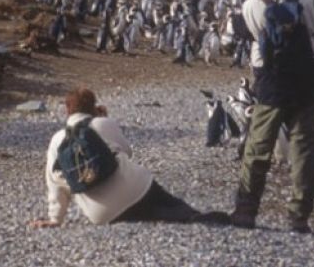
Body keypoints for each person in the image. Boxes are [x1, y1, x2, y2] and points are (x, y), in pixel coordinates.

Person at [231, 0, 314, 233]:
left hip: (270, 81)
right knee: (305, 150)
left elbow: (238, 30)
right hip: (305, 81)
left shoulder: (252, 4)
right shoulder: (306, 2)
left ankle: (246, 211)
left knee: (258, 146)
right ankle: (298, 216)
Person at [29, 88, 229, 228]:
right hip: (137, 189)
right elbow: (127, 152)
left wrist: (55, 218)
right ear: (93, 105)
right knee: (175, 209)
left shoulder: (56, 141)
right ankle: (192, 215)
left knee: (149, 215)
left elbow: (55, 184)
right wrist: (105, 119)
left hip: (103, 214)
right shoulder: (102, 124)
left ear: (67, 110)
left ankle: (165, 214)